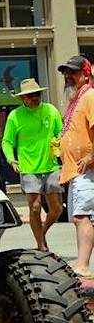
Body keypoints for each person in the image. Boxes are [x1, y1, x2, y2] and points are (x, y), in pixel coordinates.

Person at [1, 78, 63, 250]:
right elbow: (7, 142)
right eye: (30, 96)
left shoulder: (51, 111)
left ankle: (41, 232)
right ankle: (41, 245)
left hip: (51, 166)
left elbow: (61, 133)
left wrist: (60, 143)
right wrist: (11, 160)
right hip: (28, 168)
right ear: (22, 99)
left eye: (37, 94)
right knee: (35, 207)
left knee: (57, 209)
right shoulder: (15, 116)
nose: (34, 98)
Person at [59, 55, 94, 277]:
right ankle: (82, 263)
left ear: (86, 74)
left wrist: (91, 156)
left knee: (83, 216)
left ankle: (82, 265)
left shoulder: (90, 96)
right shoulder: (78, 99)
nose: (67, 76)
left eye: (72, 72)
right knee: (79, 217)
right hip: (76, 171)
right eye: (65, 72)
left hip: (86, 170)